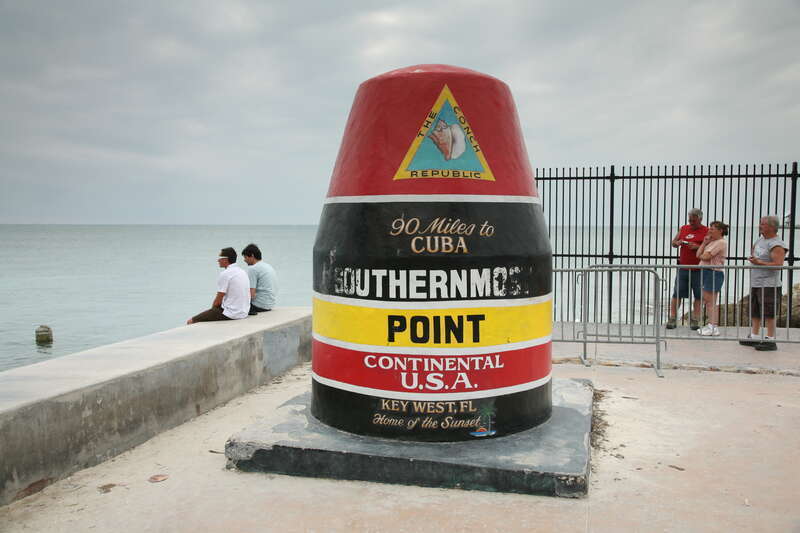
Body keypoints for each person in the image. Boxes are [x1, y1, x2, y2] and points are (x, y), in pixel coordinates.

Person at [739, 215, 787, 351]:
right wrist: (755, 259)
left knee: (769, 311)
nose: (760, 226)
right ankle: (754, 336)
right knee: (755, 310)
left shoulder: (777, 244)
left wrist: (759, 262)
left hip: (769, 283)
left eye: (763, 224)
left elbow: (778, 264)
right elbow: (755, 252)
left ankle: (771, 339)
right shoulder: (761, 239)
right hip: (757, 281)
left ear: (772, 227)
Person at [666, 208, 708, 330]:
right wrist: (677, 242)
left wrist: (698, 247)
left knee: (699, 295)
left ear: (700, 219)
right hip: (683, 267)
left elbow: (711, 248)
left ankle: (695, 320)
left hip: (699, 269)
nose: (691, 222)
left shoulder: (706, 231)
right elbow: (673, 242)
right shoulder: (683, 228)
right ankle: (673, 318)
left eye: (693, 220)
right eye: (689, 220)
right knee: (677, 293)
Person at [186, 247, 250, 324]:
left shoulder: (225, 274)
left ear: (226, 259)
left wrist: (212, 312)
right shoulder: (242, 271)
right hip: (244, 312)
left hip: (232, 314)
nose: (218, 260)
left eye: (220, 258)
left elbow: (218, 300)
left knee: (191, 321)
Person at [696, 221, 729, 336]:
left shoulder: (721, 242)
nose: (709, 230)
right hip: (707, 272)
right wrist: (704, 243)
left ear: (720, 231)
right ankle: (711, 325)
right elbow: (698, 255)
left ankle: (713, 327)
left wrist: (702, 255)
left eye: (712, 228)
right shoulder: (711, 242)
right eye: (710, 228)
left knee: (711, 301)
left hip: (713, 273)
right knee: (708, 301)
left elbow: (705, 256)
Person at [241, 243, 278, 315]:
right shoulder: (268, 266)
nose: (244, 260)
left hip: (258, 305)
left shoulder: (253, 269)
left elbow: (251, 294)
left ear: (252, 255)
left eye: (245, 257)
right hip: (269, 305)